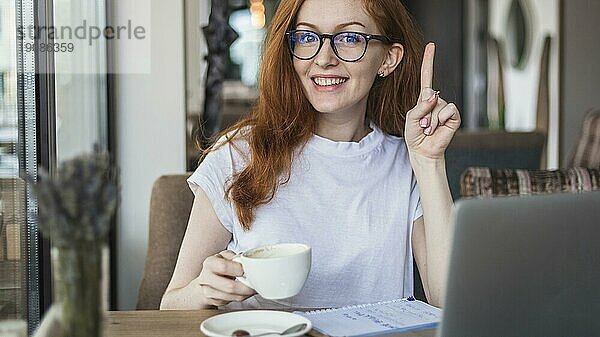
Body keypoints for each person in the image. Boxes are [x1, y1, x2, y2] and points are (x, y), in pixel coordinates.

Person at [160, 0, 460, 310]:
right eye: (307, 37)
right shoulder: (237, 155)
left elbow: (450, 303)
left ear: (388, 58)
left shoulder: (407, 162)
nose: (324, 59)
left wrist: (429, 163)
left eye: (350, 38)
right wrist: (203, 292)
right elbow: (170, 305)